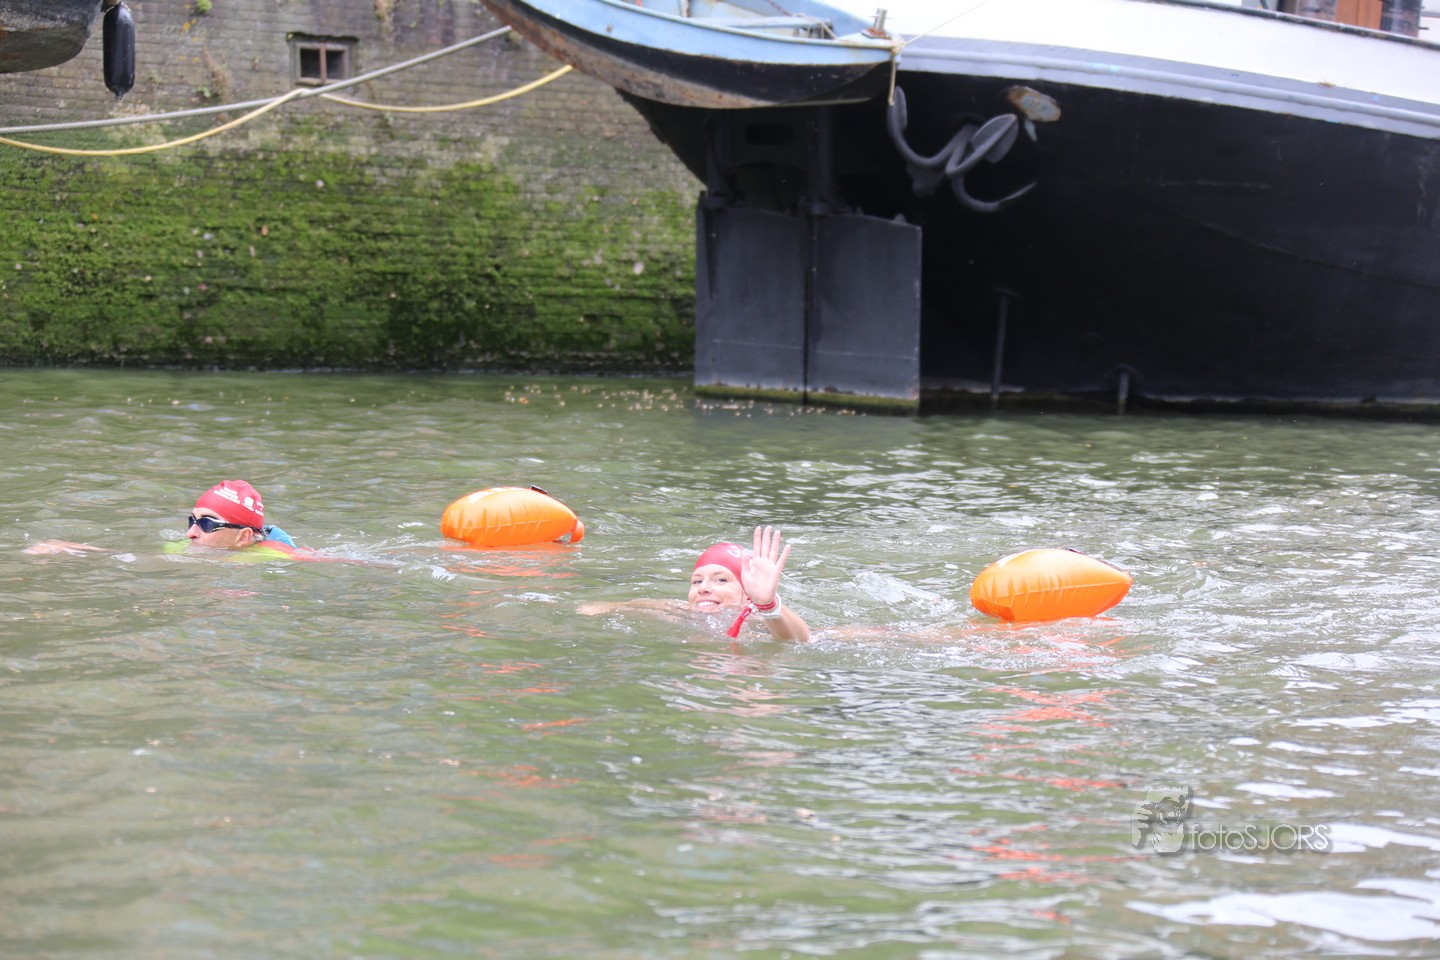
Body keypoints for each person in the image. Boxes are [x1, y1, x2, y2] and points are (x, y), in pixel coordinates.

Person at [582, 525, 811, 642]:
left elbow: (801, 640)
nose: (703, 588)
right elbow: (633, 605)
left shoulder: (757, 622)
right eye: (697, 581)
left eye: (721, 580)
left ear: (747, 594)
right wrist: (604, 608)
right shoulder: (680, 612)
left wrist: (767, 605)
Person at [24, 479, 303, 557]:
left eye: (207, 524)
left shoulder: (275, 555)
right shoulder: (185, 547)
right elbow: (129, 555)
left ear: (243, 537)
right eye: (192, 521)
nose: (191, 533)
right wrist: (67, 547)